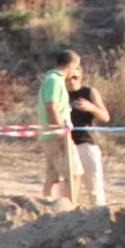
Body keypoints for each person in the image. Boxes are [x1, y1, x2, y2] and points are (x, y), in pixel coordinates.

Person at [37, 48, 81, 201]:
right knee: (74, 173)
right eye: (76, 67)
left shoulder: (54, 80)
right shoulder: (54, 81)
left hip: (50, 135)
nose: (76, 71)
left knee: (53, 176)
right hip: (56, 135)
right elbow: (51, 106)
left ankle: (47, 205)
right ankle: (69, 207)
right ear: (70, 65)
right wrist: (61, 132)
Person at [66, 68, 110, 206]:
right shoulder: (61, 93)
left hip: (85, 142)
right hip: (66, 144)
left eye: (75, 77)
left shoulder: (88, 92)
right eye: (68, 78)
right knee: (69, 190)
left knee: (94, 188)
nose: (72, 81)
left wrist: (91, 108)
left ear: (80, 75)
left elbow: (105, 117)